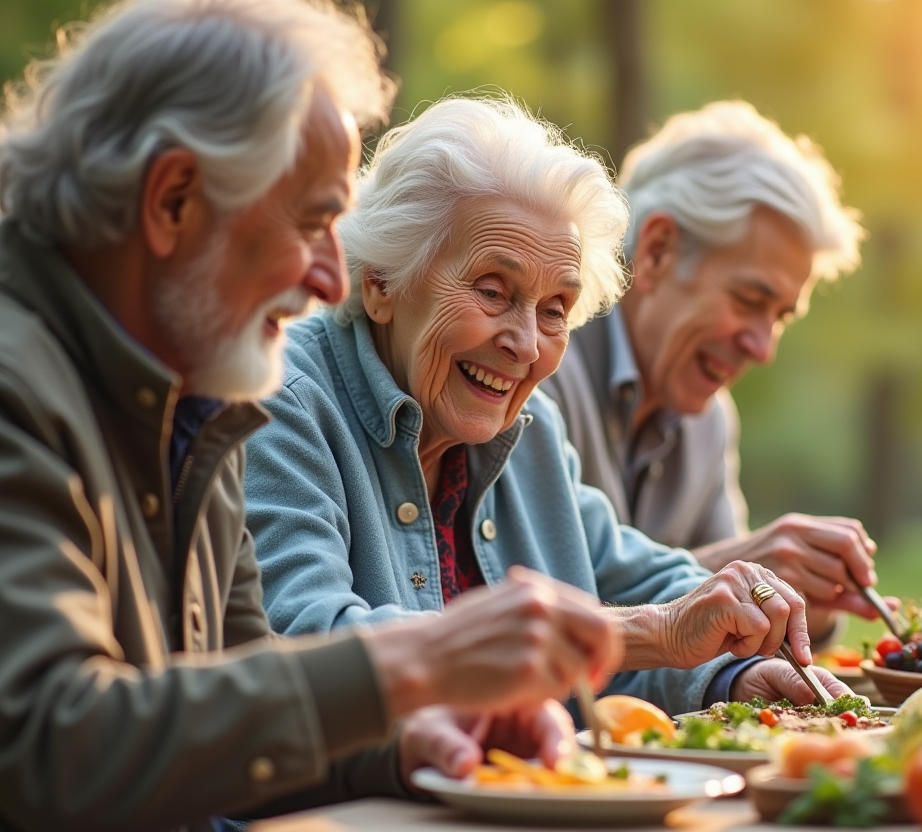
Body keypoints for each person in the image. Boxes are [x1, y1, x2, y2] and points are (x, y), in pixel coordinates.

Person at [0, 3, 622, 830]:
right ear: (173, 199)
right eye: (311, 222)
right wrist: (419, 661)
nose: (336, 277)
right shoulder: (19, 386)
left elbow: (242, 706)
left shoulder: (197, 401)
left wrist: (416, 737)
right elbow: (43, 744)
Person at [243, 95, 853, 719]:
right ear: (380, 283)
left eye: (555, 309)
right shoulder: (282, 402)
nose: (525, 343)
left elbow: (635, 582)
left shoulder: (529, 431)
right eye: (491, 290)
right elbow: (309, 641)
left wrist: (736, 674)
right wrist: (649, 632)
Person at [541, 101, 889, 648]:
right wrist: (741, 563)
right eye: (750, 299)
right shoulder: (536, 368)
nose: (762, 346)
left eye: (779, 317)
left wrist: (808, 603)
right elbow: (530, 611)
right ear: (656, 252)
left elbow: (733, 636)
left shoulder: (710, 421)